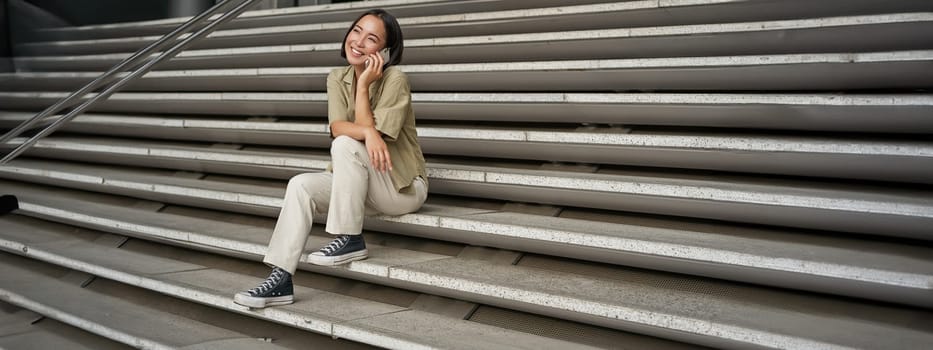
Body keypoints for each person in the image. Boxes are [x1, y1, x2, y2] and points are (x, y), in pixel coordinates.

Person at [234, 9, 427, 308]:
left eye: (372, 38)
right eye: (357, 31)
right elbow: (337, 126)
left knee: (346, 144)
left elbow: (352, 136)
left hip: (401, 188)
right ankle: (281, 279)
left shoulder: (395, 79)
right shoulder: (337, 77)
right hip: (360, 183)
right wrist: (368, 131)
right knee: (300, 185)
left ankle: (350, 237)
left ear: (386, 51)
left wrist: (363, 87)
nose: (359, 41)